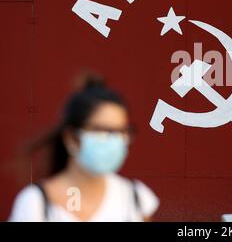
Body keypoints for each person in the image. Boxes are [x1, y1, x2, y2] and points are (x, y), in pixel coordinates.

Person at [8, 74, 159, 221]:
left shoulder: (135, 199)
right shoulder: (36, 204)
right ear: (71, 138)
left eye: (120, 132)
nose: (114, 140)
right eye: (101, 130)